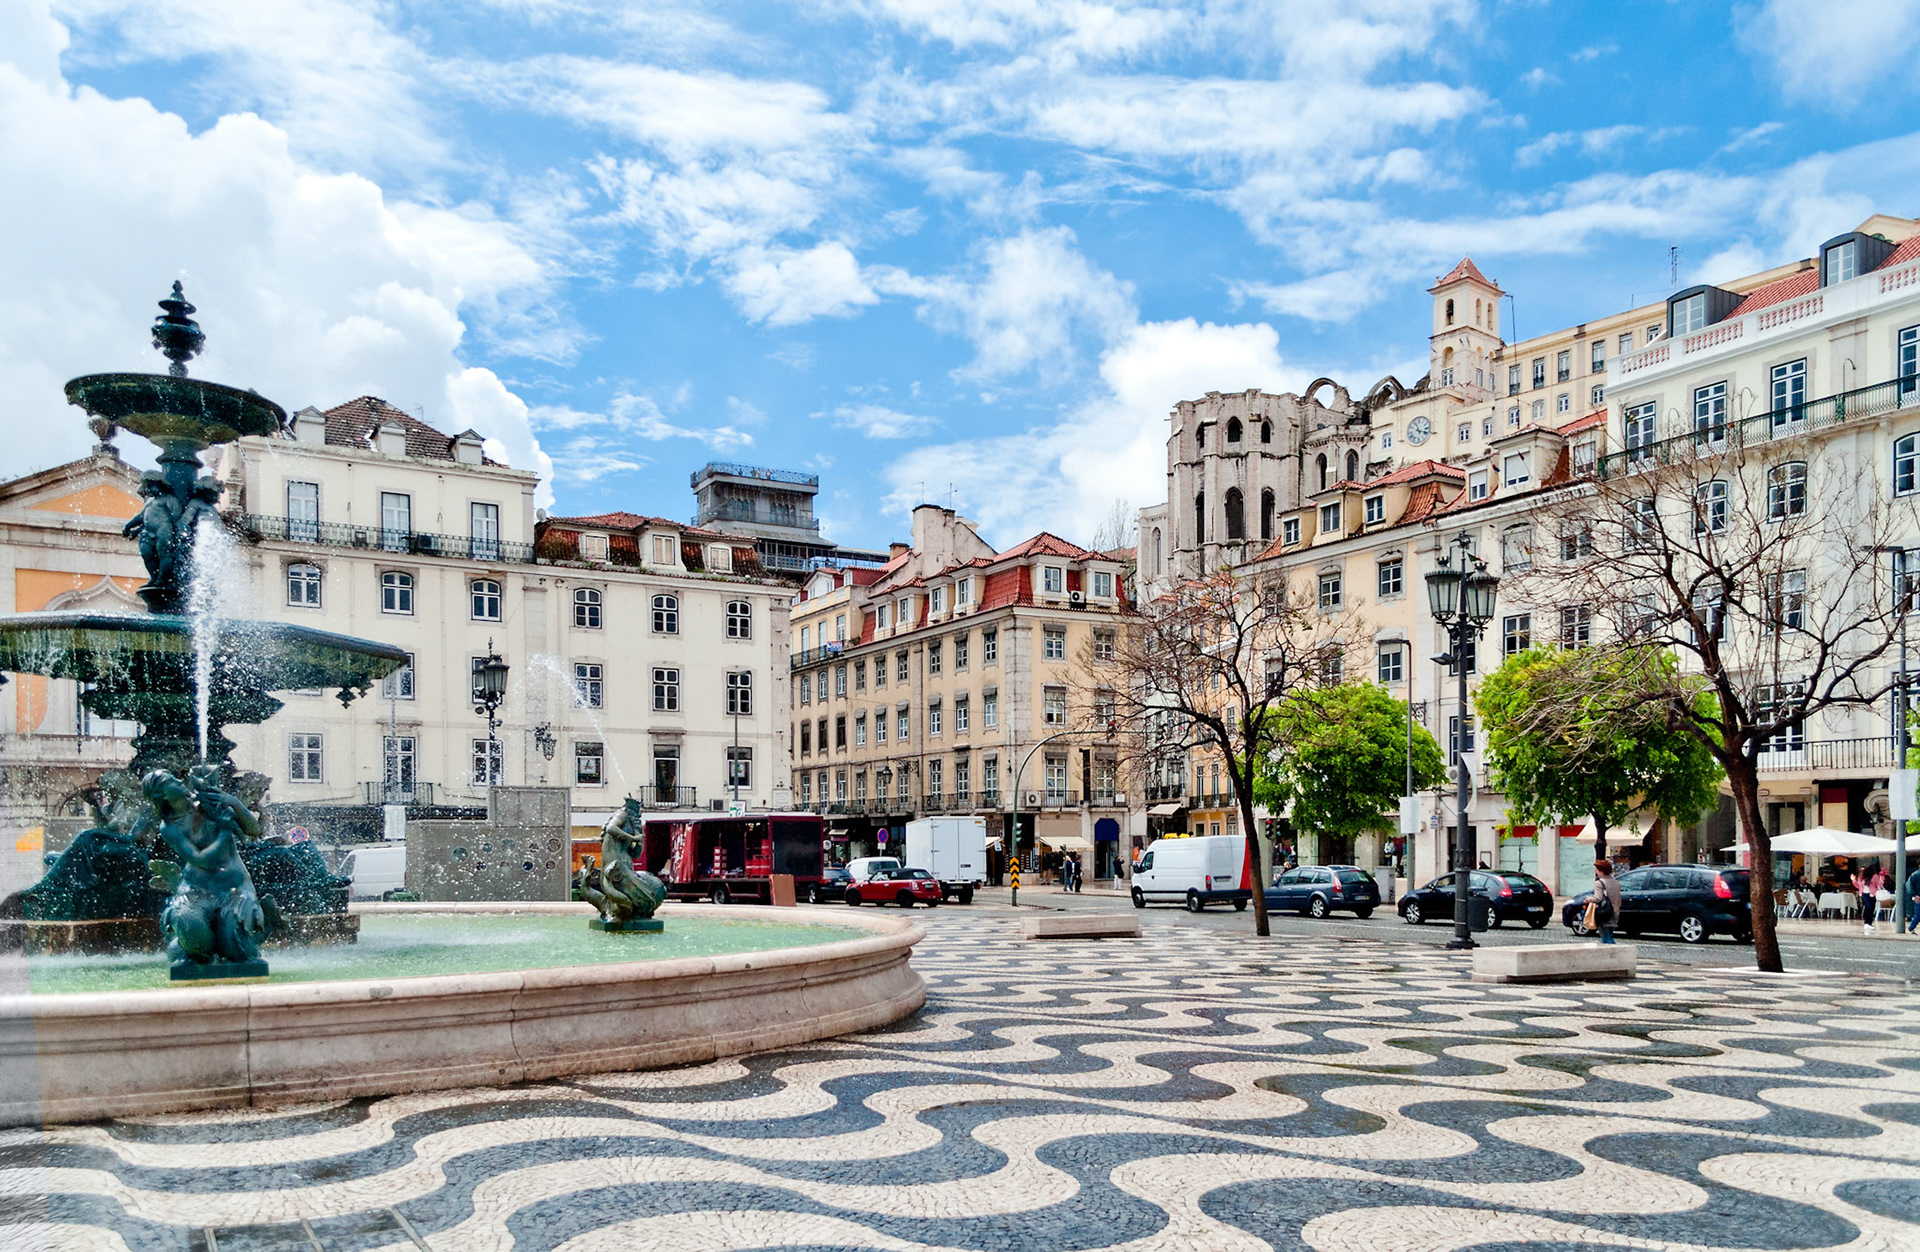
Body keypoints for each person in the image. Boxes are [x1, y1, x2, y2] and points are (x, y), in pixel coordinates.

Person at [1591, 859, 1622, 945]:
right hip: (1615, 913)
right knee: (1609, 936)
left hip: (1604, 913)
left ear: (1601, 870)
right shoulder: (1616, 882)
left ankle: (1612, 955)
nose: (1596, 872)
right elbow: (1618, 898)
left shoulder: (1599, 883)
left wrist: (1589, 899)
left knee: (1605, 938)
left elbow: (1598, 898)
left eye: (1596, 870)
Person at [1853, 865, 1885, 936]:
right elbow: (1858, 886)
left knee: (1871, 908)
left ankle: (1869, 923)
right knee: (1868, 907)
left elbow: (1878, 884)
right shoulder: (1861, 877)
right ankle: (1866, 922)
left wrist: (1881, 880)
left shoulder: (1874, 876)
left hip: (1872, 894)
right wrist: (1854, 881)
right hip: (1864, 894)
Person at [1905, 863, 1920, 936]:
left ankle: (1911, 927)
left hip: (1917, 896)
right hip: (1918, 897)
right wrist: (1914, 895)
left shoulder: (1914, 875)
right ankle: (1911, 927)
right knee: (1918, 914)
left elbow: (1909, 886)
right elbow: (1909, 886)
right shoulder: (1915, 875)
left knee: (1918, 914)